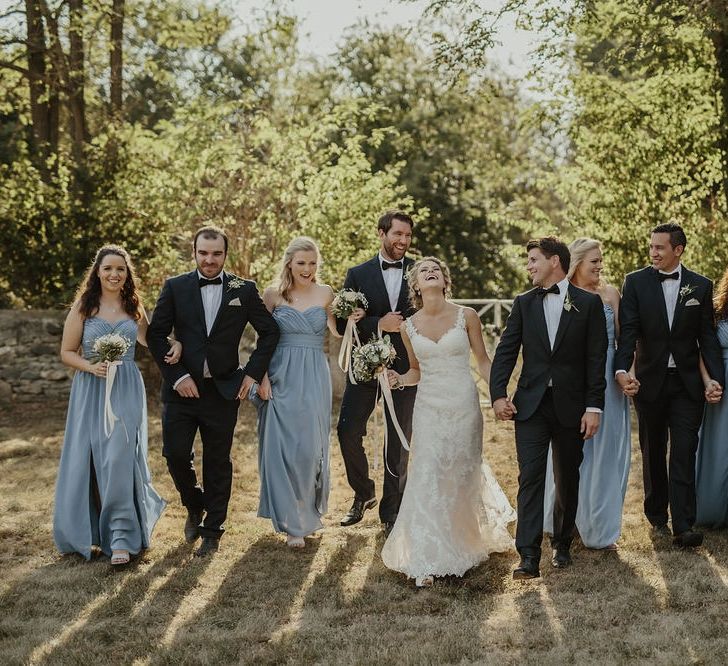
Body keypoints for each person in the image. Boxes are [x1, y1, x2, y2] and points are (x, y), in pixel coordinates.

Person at [381, 257, 515, 587]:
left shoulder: (466, 316)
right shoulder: (407, 326)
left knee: (461, 471)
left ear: (444, 280)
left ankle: (463, 542)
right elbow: (415, 370)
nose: (430, 272)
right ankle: (427, 554)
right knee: (429, 472)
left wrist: (500, 393)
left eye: (436, 270)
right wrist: (396, 379)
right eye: (424, 270)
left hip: (464, 404)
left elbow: (483, 361)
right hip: (428, 407)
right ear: (415, 284)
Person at [147, 225, 279, 557]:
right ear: (194, 252)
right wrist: (177, 376)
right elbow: (156, 334)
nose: (209, 260)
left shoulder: (243, 289)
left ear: (225, 254)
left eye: (216, 254)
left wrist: (252, 373)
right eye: (203, 253)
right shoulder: (175, 287)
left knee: (218, 461)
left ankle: (212, 528)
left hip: (223, 389)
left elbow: (270, 332)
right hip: (181, 390)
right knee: (175, 455)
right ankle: (194, 505)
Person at [490, 236, 608, 579]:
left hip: (573, 407)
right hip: (530, 406)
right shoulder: (524, 303)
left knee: (567, 476)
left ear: (554, 261)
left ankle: (561, 544)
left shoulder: (588, 304)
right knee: (530, 477)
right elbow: (507, 351)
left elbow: (595, 359)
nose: (529, 266)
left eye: (533, 260)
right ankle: (527, 555)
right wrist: (499, 394)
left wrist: (594, 407)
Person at [54, 245, 169, 565]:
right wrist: (91, 367)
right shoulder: (84, 306)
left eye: (120, 269)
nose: (114, 274)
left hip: (127, 387)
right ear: (98, 272)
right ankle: (90, 530)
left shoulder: (133, 305)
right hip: (91, 388)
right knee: (91, 458)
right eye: (108, 269)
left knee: (119, 456)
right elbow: (66, 351)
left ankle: (120, 537)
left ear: (127, 273)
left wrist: (176, 344)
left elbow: (149, 340)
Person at [615, 223, 723, 547]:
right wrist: (624, 370)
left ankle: (684, 525)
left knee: (684, 450)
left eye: (660, 247)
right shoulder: (634, 283)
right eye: (651, 247)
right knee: (653, 450)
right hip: (649, 382)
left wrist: (715, 378)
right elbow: (628, 333)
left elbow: (706, 336)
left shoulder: (700, 286)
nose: (653, 253)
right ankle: (657, 516)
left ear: (678, 250)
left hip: (688, 384)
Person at [256, 237, 363, 547]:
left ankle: (305, 513)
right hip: (280, 375)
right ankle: (292, 523)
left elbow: (336, 330)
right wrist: (261, 378)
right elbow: (263, 340)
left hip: (314, 376)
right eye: (301, 262)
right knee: (282, 449)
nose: (307, 268)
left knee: (309, 449)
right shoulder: (273, 295)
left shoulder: (327, 293)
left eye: (313, 262)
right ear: (289, 263)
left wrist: (352, 319)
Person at [543, 238, 631, 550]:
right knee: (569, 451)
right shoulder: (561, 295)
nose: (599, 266)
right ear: (578, 263)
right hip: (571, 380)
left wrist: (625, 372)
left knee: (605, 452)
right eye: (594, 260)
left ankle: (599, 525)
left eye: (600, 260)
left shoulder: (610, 295)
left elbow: (624, 342)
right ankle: (565, 517)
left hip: (606, 378)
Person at [336, 210, 417, 535]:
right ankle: (363, 492)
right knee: (347, 430)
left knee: (398, 439)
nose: (403, 241)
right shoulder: (357, 273)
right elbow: (343, 323)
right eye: (397, 234)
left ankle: (391, 511)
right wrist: (377, 323)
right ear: (381, 233)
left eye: (407, 236)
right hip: (365, 364)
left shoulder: (418, 271)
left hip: (405, 367)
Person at [694, 265, 728, 526]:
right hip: (720, 385)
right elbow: (701, 348)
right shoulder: (716, 311)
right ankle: (714, 509)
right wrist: (709, 381)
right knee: (719, 447)